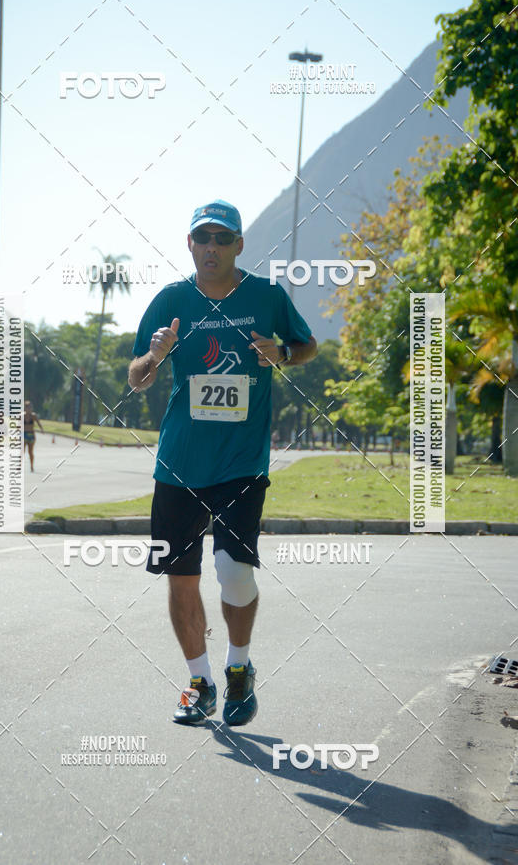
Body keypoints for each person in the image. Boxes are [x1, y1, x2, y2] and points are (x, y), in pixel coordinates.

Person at [128, 200, 317, 727]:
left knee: (233, 572)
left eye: (222, 238)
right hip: (179, 464)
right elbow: (136, 378)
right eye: (203, 238)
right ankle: (199, 683)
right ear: (190, 244)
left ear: (238, 245)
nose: (212, 247)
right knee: (180, 577)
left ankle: (238, 669)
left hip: (241, 461)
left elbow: (307, 345)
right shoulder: (171, 300)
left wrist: (282, 354)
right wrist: (156, 355)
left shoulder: (267, 296)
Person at [23, 401, 44, 472]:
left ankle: (32, 466)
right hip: (24, 435)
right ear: (25, 408)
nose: (29, 409)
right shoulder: (22, 416)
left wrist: (41, 429)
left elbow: (38, 423)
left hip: (31, 435)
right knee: (22, 451)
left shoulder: (33, 416)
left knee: (30, 452)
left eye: (30, 407)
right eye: (27, 407)